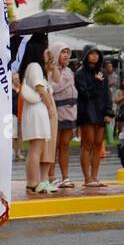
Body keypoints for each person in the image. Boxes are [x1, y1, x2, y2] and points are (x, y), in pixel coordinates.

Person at [20, 38, 57, 194]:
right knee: (35, 149)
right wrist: (50, 107)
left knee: (37, 148)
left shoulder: (35, 67)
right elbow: (40, 89)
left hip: (36, 110)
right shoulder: (34, 66)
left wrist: (49, 61)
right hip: (37, 110)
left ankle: (34, 182)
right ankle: (32, 182)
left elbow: (51, 80)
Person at [75, 46, 112, 187]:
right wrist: (96, 82)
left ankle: (95, 176)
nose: (94, 56)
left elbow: (107, 93)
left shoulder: (102, 73)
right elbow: (85, 94)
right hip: (86, 112)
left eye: (97, 53)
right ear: (85, 55)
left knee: (98, 145)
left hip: (101, 111)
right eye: (91, 53)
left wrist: (109, 112)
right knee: (87, 144)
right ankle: (87, 178)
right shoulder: (80, 73)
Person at [48, 46, 77, 188]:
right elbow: (52, 88)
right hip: (57, 111)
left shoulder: (69, 70)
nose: (66, 55)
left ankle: (66, 177)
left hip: (70, 112)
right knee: (54, 146)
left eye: (67, 52)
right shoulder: (51, 70)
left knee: (65, 146)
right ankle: (51, 176)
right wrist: (65, 81)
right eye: (63, 52)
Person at [10, 70, 24, 161]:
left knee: (20, 134)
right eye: (15, 79)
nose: (17, 80)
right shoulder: (9, 89)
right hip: (12, 115)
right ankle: (13, 152)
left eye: (18, 78)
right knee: (12, 135)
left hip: (21, 114)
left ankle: (18, 152)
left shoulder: (22, 88)